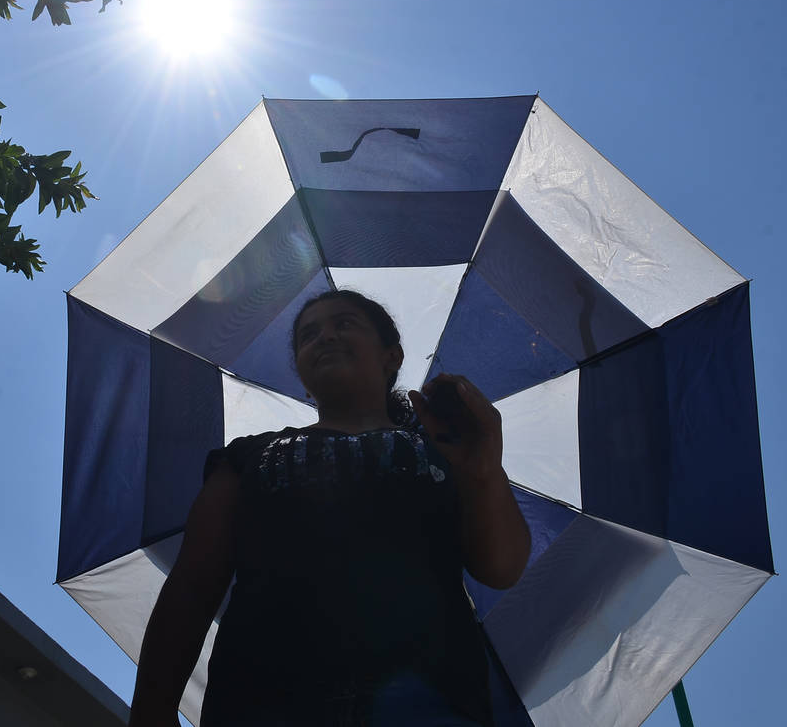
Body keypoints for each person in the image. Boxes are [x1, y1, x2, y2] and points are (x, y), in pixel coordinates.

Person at [129, 290, 531, 726]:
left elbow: (501, 568)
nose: (325, 337)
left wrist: (484, 471)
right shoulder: (247, 456)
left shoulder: (449, 451)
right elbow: (193, 585)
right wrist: (153, 708)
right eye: (309, 335)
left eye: (344, 323)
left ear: (391, 357)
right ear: (303, 378)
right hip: (262, 706)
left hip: (432, 705)